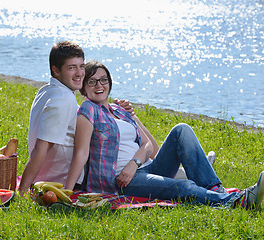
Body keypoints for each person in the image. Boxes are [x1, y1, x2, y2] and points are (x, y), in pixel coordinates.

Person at [65, 60, 264, 209]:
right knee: (183, 186)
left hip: (144, 168)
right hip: (121, 181)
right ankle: (240, 201)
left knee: (181, 129)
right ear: (84, 87)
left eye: (103, 80)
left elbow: (147, 146)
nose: (99, 85)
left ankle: (215, 191)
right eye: (92, 81)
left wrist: (133, 163)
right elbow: (81, 154)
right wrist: (66, 192)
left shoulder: (119, 110)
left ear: (110, 82)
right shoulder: (88, 110)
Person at [18, 42, 133, 196]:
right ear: (56, 71)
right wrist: (22, 192)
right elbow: (40, 148)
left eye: (81, 66)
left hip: (50, 176)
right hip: (64, 181)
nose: (80, 73)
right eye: (72, 68)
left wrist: (116, 108)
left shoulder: (47, 90)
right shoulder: (63, 100)